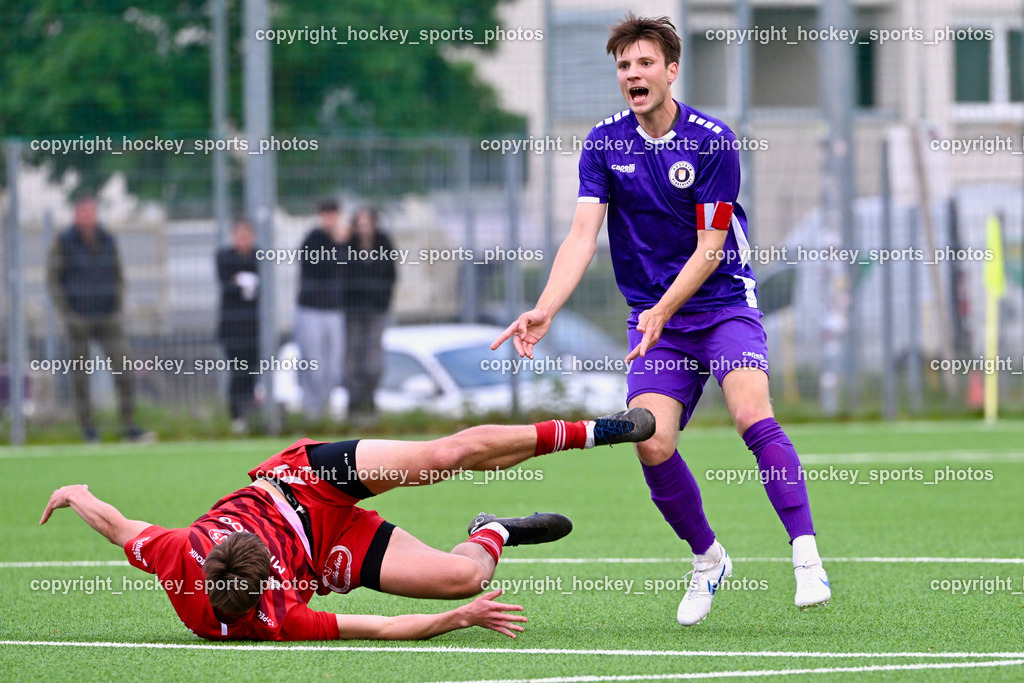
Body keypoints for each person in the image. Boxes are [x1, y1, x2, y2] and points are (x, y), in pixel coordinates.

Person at [493, 14, 830, 626]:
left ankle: (806, 555)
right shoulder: (603, 144)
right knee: (650, 438)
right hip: (657, 320)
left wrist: (662, 310)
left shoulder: (712, 141)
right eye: (624, 66)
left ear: (671, 71)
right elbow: (579, 237)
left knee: (752, 413)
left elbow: (710, 248)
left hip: (722, 303)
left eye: (645, 63)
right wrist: (545, 307)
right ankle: (707, 559)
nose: (633, 74)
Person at [39, 408, 655, 641]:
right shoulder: (280, 619)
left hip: (305, 480)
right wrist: (457, 618)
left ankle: (590, 432)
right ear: (269, 592)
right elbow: (385, 627)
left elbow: (121, 527)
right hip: (333, 546)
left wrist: (75, 491)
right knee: (464, 579)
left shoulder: (178, 557)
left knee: (443, 459)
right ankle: (494, 528)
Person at [45, 195, 152, 443]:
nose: (87, 217)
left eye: (91, 212)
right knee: (81, 375)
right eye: (82, 212)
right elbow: (53, 280)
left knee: (124, 367)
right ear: (76, 215)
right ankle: (88, 428)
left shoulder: (108, 240)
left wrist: (116, 308)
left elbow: (118, 275)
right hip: (78, 319)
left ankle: (128, 424)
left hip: (108, 317)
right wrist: (68, 314)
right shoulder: (64, 242)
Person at [295, 200, 349, 420]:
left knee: (334, 368)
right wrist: (337, 244)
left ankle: (325, 411)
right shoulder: (313, 239)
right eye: (326, 213)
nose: (330, 218)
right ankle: (311, 414)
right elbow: (321, 267)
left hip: (334, 310)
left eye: (333, 213)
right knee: (313, 365)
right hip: (311, 310)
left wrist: (343, 244)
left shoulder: (346, 241)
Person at [342, 207, 397, 420]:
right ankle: (353, 404)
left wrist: (381, 300)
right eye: (360, 222)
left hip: (376, 310)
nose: (364, 227)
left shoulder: (384, 242)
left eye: (368, 222)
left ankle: (369, 400)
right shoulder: (348, 246)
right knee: (353, 357)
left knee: (373, 360)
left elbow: (390, 275)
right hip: (353, 310)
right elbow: (343, 275)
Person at [216, 218, 260, 433]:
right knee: (238, 371)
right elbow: (227, 283)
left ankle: (250, 413)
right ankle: (236, 415)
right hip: (233, 328)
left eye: (246, 234)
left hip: (255, 327)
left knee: (253, 371)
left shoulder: (260, 257)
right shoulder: (224, 256)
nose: (243, 239)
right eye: (239, 234)